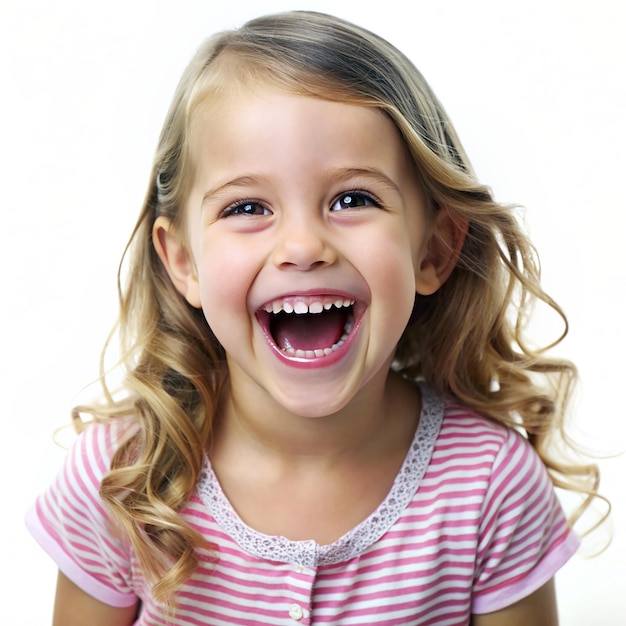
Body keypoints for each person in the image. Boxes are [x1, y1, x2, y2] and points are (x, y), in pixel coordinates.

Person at [26, 10, 603, 625]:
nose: (302, 246)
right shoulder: (124, 477)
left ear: (433, 250)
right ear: (184, 262)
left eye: (353, 198)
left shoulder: (490, 488)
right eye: (248, 206)